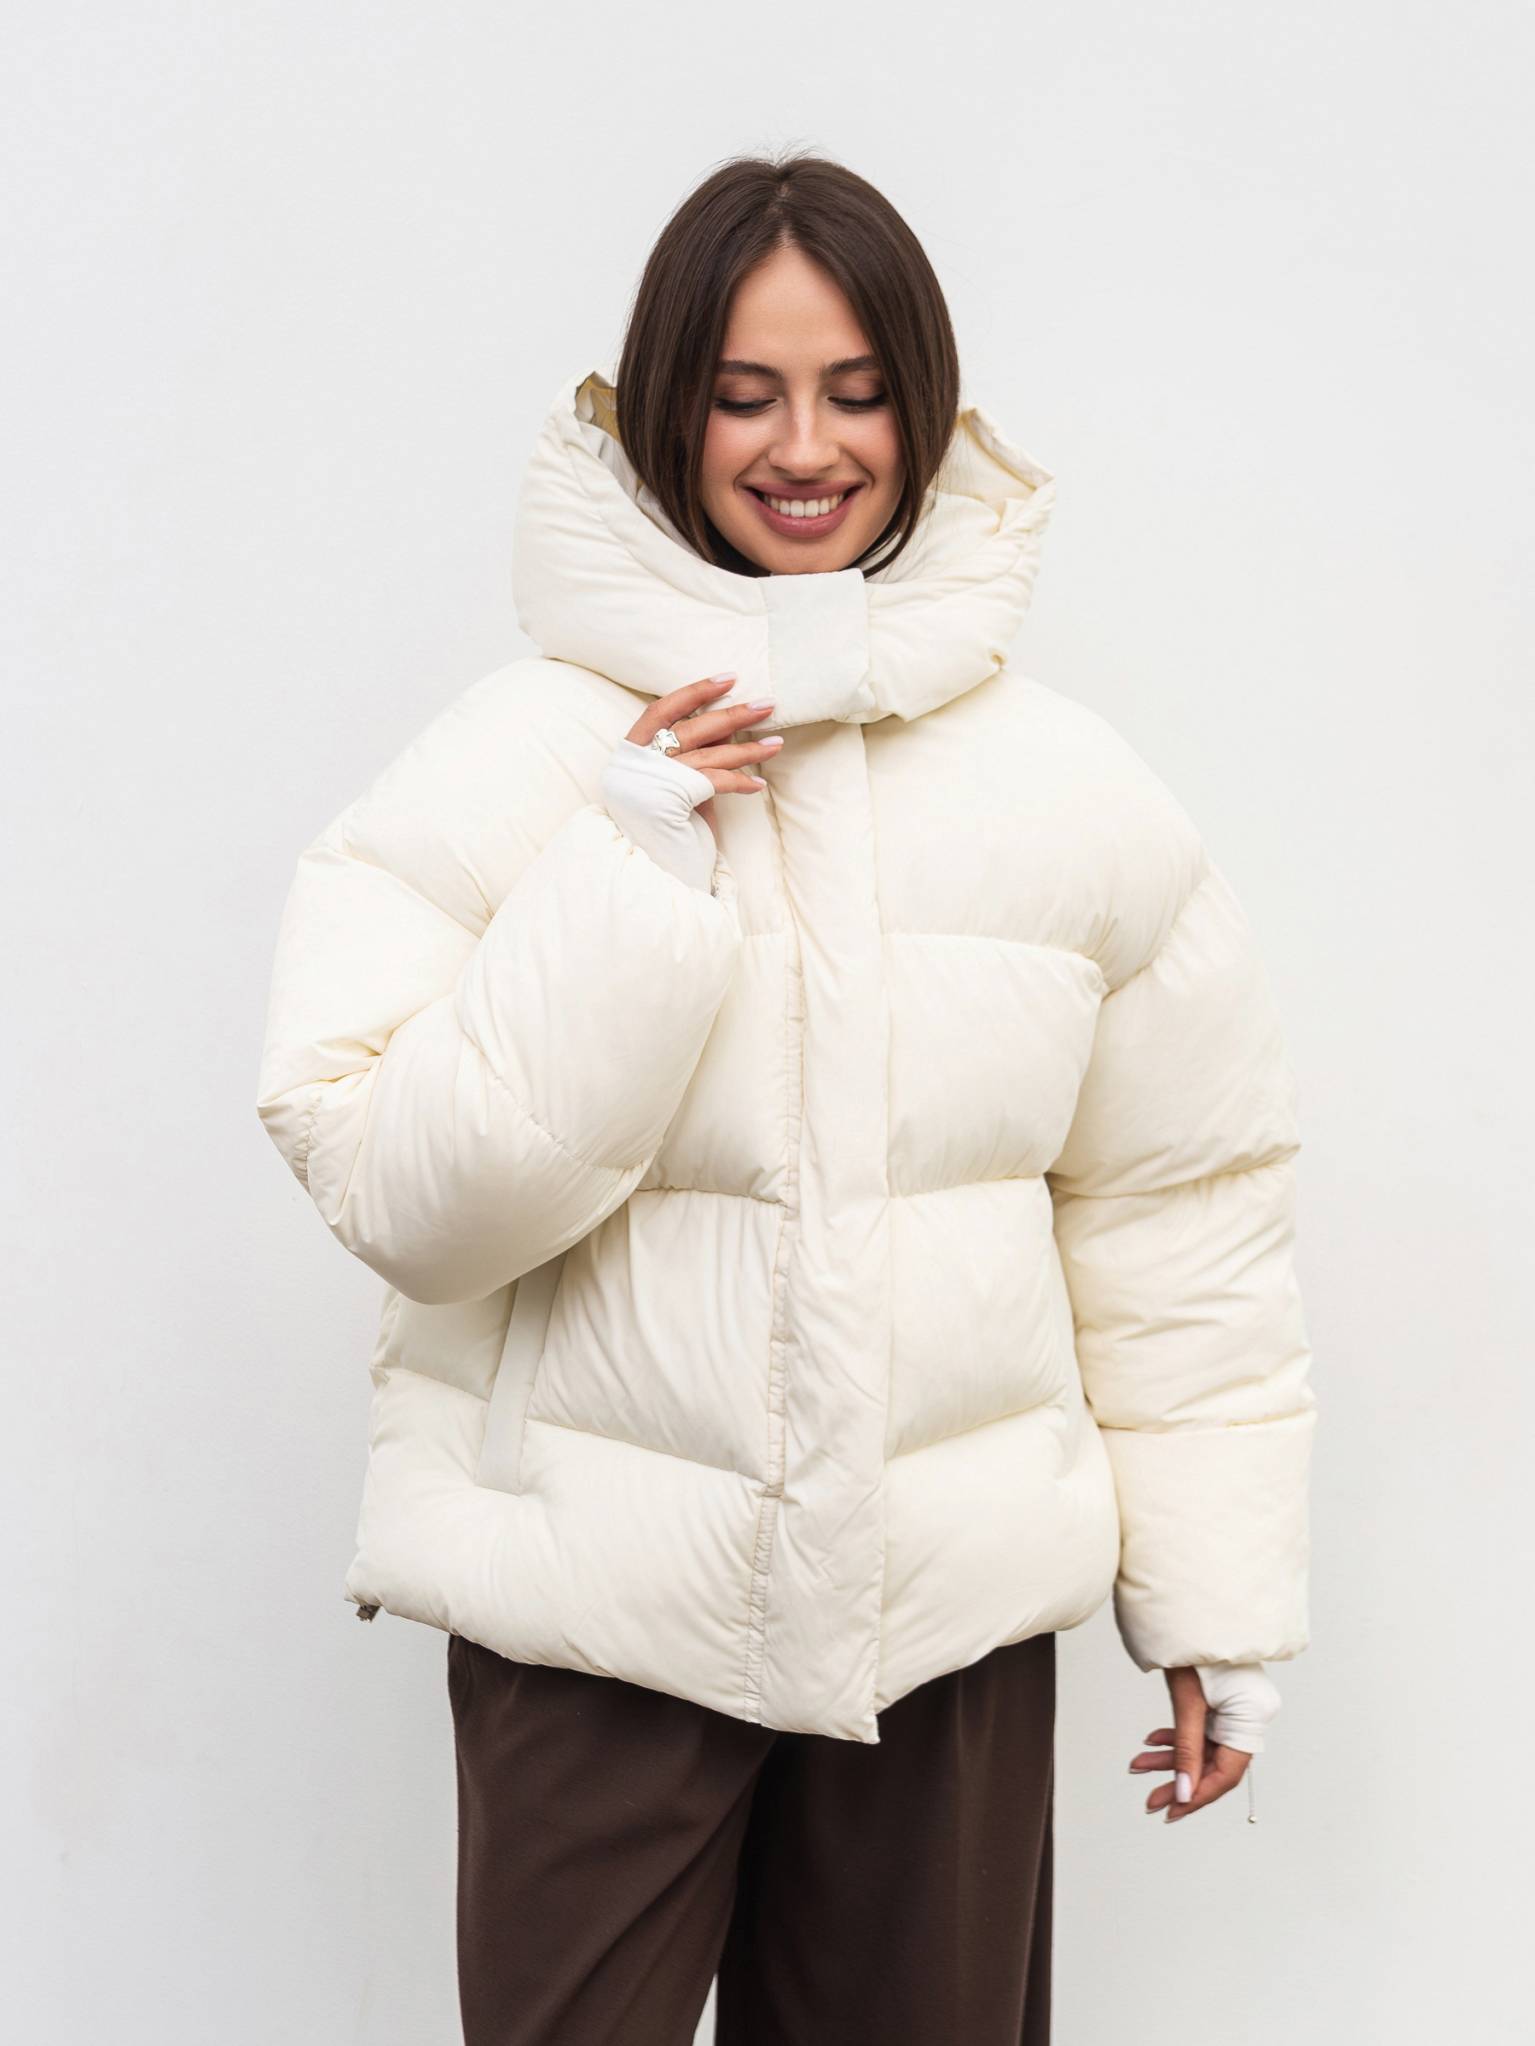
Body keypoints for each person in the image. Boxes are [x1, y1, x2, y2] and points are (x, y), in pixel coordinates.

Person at [254, 150, 1316, 2044]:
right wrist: (628, 870)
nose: (805, 447)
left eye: (856, 391)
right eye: (747, 393)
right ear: (670, 405)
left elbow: (1180, 1218)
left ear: (924, 405)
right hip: (594, 1624)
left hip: (944, 1629)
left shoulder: (1074, 794)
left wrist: (1215, 1598)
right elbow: (403, 1197)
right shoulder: (517, 765)